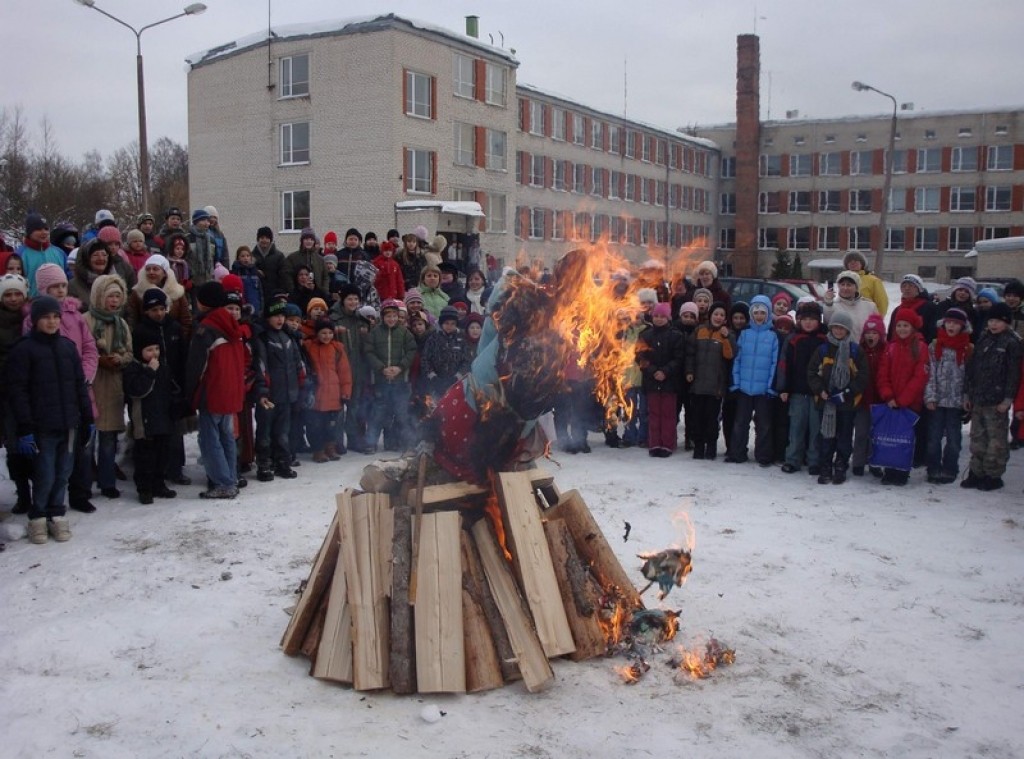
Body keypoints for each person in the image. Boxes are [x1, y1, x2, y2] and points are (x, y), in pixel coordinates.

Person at [6, 295, 93, 544]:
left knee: (63, 472)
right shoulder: (24, 349)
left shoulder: (67, 347)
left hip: (69, 423)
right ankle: (38, 516)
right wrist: (25, 427)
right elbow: (18, 391)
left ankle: (56, 513)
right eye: (46, 317)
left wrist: (87, 417)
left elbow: (79, 385)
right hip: (42, 424)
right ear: (35, 320)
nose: (52, 322)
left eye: (56, 317)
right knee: (45, 473)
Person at [30, 263, 100, 513]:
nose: (60, 290)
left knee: (81, 448)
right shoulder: (34, 319)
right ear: (43, 289)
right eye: (54, 287)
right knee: (53, 457)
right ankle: (46, 503)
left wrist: (84, 375)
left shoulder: (76, 316)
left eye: (62, 285)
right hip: (51, 395)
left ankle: (80, 494)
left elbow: (89, 348)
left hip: (79, 388)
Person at [185, 281, 247, 499]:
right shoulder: (232, 324)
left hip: (212, 390)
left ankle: (222, 482)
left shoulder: (206, 328)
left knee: (210, 439)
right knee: (227, 436)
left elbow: (196, 366)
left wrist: (189, 393)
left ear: (203, 302)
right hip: (231, 389)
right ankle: (231, 477)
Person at [961, 302, 1022, 491]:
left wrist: (1008, 399)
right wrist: (967, 394)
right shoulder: (984, 338)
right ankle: (976, 471)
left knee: (996, 440)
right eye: (991, 321)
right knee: (977, 437)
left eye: (998, 321)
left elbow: (1014, 374)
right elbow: (972, 368)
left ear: (1007, 322)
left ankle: (993, 474)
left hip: (997, 401)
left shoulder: (1012, 342)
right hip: (978, 397)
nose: (993, 324)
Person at [84, 274, 133, 500]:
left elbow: (129, 352)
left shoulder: (121, 324)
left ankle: (107, 482)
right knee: (87, 440)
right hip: (91, 385)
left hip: (113, 386)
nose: (114, 301)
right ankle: (83, 483)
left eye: (117, 296)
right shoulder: (85, 321)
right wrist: (98, 359)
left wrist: (119, 360)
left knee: (108, 439)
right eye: (109, 296)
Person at [807, 310, 869, 485]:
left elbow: (863, 376)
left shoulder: (855, 351)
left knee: (844, 436)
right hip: (826, 402)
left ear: (847, 330)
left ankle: (841, 464)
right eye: (835, 327)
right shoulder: (823, 350)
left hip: (847, 403)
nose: (838, 331)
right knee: (826, 436)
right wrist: (820, 390)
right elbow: (812, 372)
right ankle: (825, 465)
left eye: (842, 328)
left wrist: (848, 392)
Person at [123, 318, 178, 504]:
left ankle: (159, 483)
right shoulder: (134, 368)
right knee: (145, 456)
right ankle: (144, 488)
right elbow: (137, 390)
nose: (154, 353)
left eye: (156, 348)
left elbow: (169, 389)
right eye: (149, 350)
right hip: (144, 420)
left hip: (162, 418)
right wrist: (150, 372)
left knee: (162, 454)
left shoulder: (163, 366)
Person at [251, 299, 304, 481]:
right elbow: (260, 366)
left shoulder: (288, 336)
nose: (280, 319)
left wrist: (301, 386)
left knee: (283, 432)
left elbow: (298, 363)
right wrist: (262, 391)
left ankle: (282, 462)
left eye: (282, 315)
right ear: (267, 317)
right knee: (265, 432)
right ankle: (264, 464)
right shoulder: (263, 337)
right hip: (269, 395)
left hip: (288, 393)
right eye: (275, 316)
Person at [876, 307, 929, 485]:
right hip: (891, 402)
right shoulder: (890, 347)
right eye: (899, 325)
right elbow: (882, 374)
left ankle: (901, 471)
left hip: (910, 404)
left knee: (905, 439)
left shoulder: (920, 348)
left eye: (906, 325)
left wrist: (904, 400)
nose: (902, 329)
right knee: (890, 437)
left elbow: (920, 377)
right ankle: (889, 469)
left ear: (913, 327)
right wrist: (888, 395)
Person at [726, 295, 779, 466]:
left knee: (764, 425)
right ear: (751, 314)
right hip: (744, 387)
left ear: (768, 314)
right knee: (740, 422)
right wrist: (736, 382)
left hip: (763, 390)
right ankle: (737, 453)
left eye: (762, 313)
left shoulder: (772, 336)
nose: (759, 316)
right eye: (756, 312)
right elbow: (738, 359)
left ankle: (763, 455)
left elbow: (774, 363)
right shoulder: (745, 334)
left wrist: (771, 386)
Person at [777, 300, 828, 475]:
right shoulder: (793, 339)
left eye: (812, 319)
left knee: (816, 429)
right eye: (804, 319)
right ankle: (792, 459)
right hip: (797, 391)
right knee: (796, 427)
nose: (808, 322)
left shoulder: (824, 339)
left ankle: (814, 461)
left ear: (818, 321)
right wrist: (784, 387)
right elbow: (784, 364)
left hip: (817, 393)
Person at [924, 308, 973, 485]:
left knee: (953, 439)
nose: (951, 326)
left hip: (956, 402)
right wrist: (930, 396)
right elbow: (930, 373)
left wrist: (966, 398)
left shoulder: (968, 349)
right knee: (933, 438)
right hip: (937, 400)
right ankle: (933, 468)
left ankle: (950, 468)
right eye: (949, 322)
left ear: (963, 327)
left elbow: (969, 377)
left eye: (956, 324)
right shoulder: (935, 346)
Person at [363, 299, 417, 453]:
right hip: (381, 379)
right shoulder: (375, 333)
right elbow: (369, 352)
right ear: (382, 317)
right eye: (388, 316)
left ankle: (402, 442)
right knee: (378, 412)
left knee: (401, 412)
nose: (392, 319)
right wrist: (381, 368)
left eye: (394, 316)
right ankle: (371, 442)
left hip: (401, 380)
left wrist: (400, 367)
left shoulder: (405, 333)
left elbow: (411, 351)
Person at [0, 274, 33, 514]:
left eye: (17, 293)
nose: (13, 299)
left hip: (33, 389)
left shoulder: (32, 318)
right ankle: (22, 493)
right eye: (8, 294)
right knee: (14, 445)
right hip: (6, 392)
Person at [685, 301, 733, 460]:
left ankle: (711, 447)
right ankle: (698, 446)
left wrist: (726, 338)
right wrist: (689, 371)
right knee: (697, 417)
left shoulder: (727, 334)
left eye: (722, 315)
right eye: (716, 314)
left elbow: (730, 355)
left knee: (712, 419)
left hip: (715, 387)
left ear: (725, 319)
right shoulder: (700, 330)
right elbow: (690, 353)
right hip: (698, 385)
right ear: (710, 315)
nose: (718, 317)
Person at [636, 302, 684, 457]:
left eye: (662, 316)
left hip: (670, 382)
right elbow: (640, 357)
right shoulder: (645, 335)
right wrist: (653, 371)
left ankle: (667, 444)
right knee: (654, 414)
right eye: (656, 316)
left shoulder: (676, 336)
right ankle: (654, 443)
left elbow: (679, 358)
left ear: (668, 317)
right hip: (651, 382)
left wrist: (665, 371)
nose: (659, 319)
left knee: (668, 415)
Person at [303, 318, 353, 462]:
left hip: (334, 393)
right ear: (317, 333)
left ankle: (330, 447)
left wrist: (345, 392)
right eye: (323, 333)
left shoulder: (337, 349)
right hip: (316, 393)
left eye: (330, 333)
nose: (327, 336)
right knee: (315, 424)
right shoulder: (309, 346)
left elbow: (344, 372)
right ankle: (318, 450)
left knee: (332, 424)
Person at [853, 313, 887, 477]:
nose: (870, 336)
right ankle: (858, 462)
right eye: (868, 333)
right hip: (862, 399)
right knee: (861, 433)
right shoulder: (859, 351)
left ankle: (875, 462)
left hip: (880, 400)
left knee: (877, 434)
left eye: (874, 333)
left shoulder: (886, 351)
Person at [16, 213, 66, 297]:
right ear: (29, 232)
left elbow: (68, 276)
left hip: (58, 302)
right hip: (32, 302)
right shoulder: (20, 254)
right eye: (38, 229)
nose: (44, 232)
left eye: (46, 229)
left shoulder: (59, 252)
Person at [822, 270, 878, 342]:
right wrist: (828, 304)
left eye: (849, 285)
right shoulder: (833, 306)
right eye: (842, 284)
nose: (845, 288)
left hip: (864, 347)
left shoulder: (869, 306)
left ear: (856, 287)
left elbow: (878, 329)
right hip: (842, 348)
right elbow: (828, 324)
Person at [890, 274, 938, 344]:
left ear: (919, 289)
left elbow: (932, 333)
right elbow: (890, 335)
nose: (907, 288)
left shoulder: (929, 308)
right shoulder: (897, 310)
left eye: (911, 286)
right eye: (904, 286)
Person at [283, 228, 329, 293]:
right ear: (302, 241)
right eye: (306, 239)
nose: (309, 241)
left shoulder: (320, 260)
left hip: (317, 295)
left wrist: (325, 292)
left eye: (311, 239)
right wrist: (293, 291)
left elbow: (325, 277)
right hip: (298, 295)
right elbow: (287, 276)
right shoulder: (292, 258)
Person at [841, 251, 888, 315]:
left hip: (867, 319)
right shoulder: (843, 280)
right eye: (850, 261)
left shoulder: (873, 280)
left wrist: (877, 319)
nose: (853, 263)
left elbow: (882, 303)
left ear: (862, 263)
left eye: (856, 261)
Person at [230, 246, 264, 319]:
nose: (246, 258)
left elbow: (260, 292)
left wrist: (261, 308)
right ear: (238, 258)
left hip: (256, 308)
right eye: (242, 256)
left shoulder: (255, 272)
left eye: (248, 256)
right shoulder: (236, 272)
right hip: (243, 309)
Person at [254, 226, 287, 297]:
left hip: (275, 293)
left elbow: (283, 276)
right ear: (258, 239)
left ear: (270, 240)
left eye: (267, 238)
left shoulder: (279, 256)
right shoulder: (251, 256)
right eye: (262, 238)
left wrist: (281, 292)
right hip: (256, 293)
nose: (264, 240)